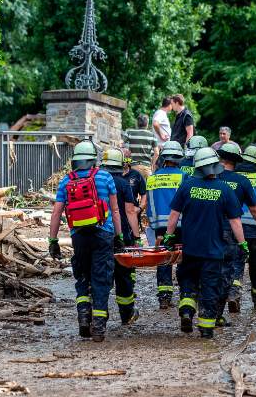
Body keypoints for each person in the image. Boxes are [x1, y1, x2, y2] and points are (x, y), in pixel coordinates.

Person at [164, 147, 246, 339]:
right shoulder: (225, 189)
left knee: (188, 279)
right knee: (210, 287)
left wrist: (168, 236)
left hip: (191, 248)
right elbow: (235, 221)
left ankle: (186, 310)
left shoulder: (186, 186)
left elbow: (174, 215)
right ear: (216, 166)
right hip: (213, 251)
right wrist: (242, 244)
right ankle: (206, 330)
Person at [47, 141, 123, 341]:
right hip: (103, 234)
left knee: (81, 276)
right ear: (93, 159)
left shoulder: (66, 181)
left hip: (78, 236)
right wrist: (119, 237)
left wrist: (53, 240)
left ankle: (83, 317)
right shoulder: (105, 177)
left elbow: (56, 214)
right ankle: (98, 327)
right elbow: (115, 210)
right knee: (101, 279)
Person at [225, 144, 256, 311]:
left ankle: (233, 295)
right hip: (255, 230)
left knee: (237, 264)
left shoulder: (234, 177)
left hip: (235, 229)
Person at [100, 148, 141, 325]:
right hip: (121, 234)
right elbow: (130, 212)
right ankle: (127, 315)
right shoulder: (123, 183)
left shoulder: (97, 181)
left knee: (101, 273)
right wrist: (137, 236)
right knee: (124, 275)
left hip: (100, 233)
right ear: (121, 165)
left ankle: (99, 314)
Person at [147, 142, 187, 308]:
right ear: (178, 159)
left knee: (163, 260)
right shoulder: (184, 176)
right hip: (180, 224)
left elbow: (150, 205)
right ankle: (185, 294)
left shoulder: (151, 178)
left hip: (159, 226)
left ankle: (164, 297)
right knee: (183, 258)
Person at [122, 113, 159, 177]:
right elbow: (157, 153)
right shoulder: (152, 136)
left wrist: (126, 157)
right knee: (147, 186)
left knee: (132, 186)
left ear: (137, 123)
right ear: (147, 125)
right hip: (146, 168)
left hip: (133, 167)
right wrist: (151, 164)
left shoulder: (130, 133)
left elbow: (118, 144)